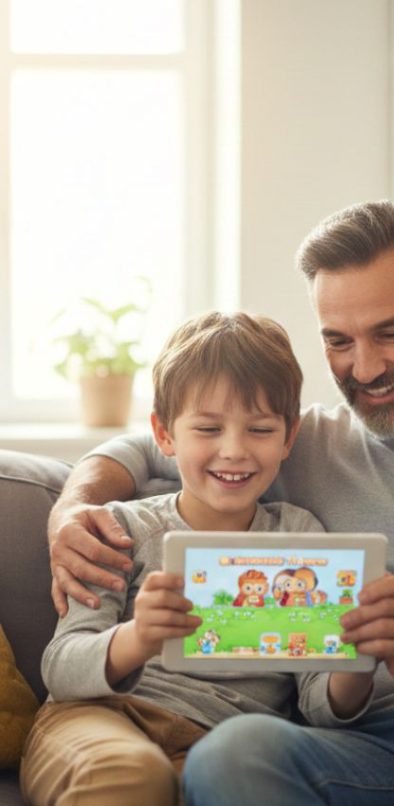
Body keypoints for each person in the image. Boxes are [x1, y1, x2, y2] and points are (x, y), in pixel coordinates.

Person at [45, 201, 394, 804]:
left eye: (389, 333)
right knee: (235, 754)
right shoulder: (298, 441)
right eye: (338, 341)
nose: (365, 368)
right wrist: (71, 509)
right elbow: (149, 446)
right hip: (358, 749)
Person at [20, 311, 365, 805]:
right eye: (207, 428)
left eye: (260, 430)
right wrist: (137, 638)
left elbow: (317, 700)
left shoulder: (299, 537)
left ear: (289, 437)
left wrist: (358, 661)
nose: (234, 450)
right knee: (130, 775)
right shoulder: (120, 529)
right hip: (101, 718)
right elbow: (61, 667)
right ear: (164, 435)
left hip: (218, 742)